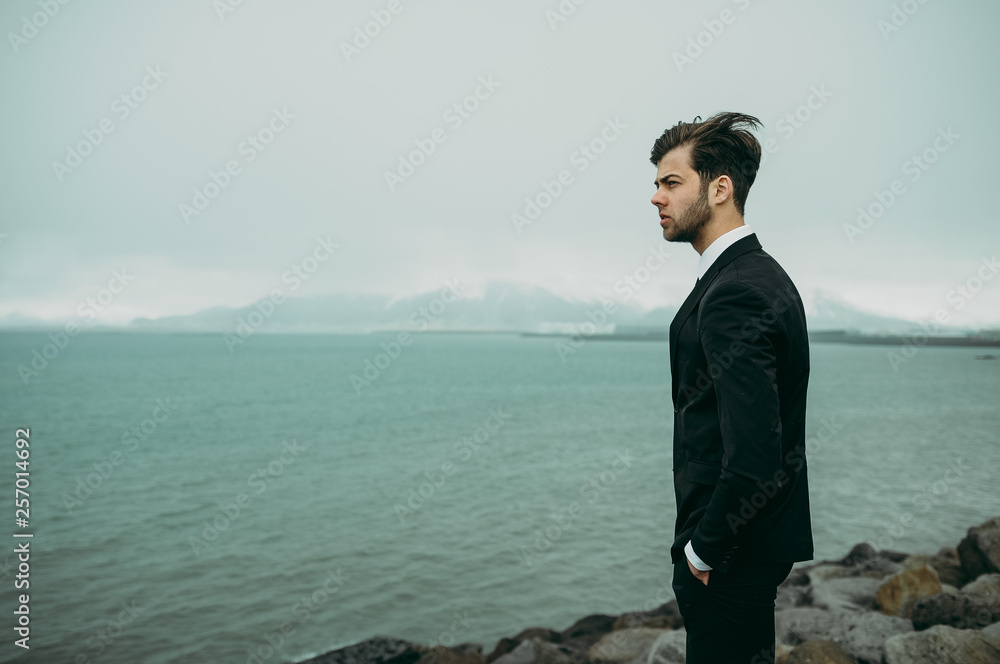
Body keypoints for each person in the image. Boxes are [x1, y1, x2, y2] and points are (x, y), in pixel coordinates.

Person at [649, 112, 814, 664]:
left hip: (729, 557)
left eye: (671, 182)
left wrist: (702, 548)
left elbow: (755, 454)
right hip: (750, 549)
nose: (656, 197)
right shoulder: (759, 273)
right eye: (656, 183)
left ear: (721, 188)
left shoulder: (734, 292)